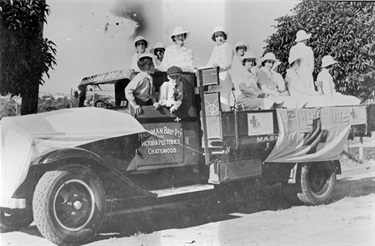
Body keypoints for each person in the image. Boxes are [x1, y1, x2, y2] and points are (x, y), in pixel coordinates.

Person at [205, 25, 235, 111]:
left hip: (224, 80)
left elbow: (228, 63)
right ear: (214, 38)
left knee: (224, 104)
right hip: (214, 80)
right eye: (217, 36)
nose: (219, 38)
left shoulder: (228, 47)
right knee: (214, 105)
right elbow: (209, 64)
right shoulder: (214, 50)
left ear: (224, 36)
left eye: (221, 35)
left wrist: (219, 68)